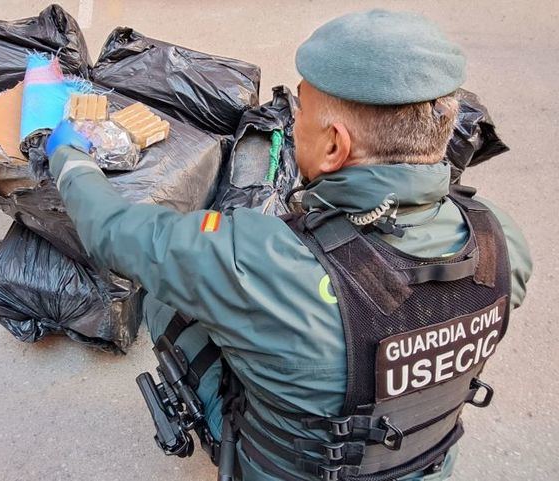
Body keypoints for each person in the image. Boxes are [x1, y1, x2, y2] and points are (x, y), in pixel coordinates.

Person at [44, 9, 532, 481]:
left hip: (282, 468)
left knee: (165, 294)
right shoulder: (498, 239)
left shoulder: (258, 258)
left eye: (302, 111)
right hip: (424, 460)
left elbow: (113, 231)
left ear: (335, 146)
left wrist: (68, 155)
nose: (293, 122)